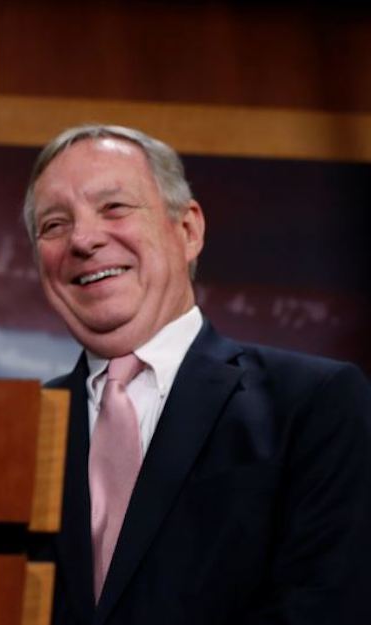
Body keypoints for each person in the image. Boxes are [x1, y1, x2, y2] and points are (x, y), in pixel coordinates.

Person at [25, 124, 371, 624]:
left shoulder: (315, 403)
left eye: (114, 207)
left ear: (187, 231)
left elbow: (328, 606)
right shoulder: (19, 433)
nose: (83, 239)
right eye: (54, 225)